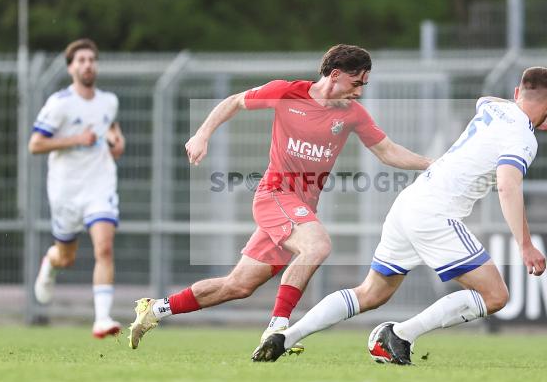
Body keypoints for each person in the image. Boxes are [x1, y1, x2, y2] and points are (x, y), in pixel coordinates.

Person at [128, 44, 433, 353]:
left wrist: (433, 164)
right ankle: (278, 328)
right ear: (335, 75)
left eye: (363, 85)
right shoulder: (287, 93)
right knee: (317, 246)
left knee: (238, 285)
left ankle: (155, 309)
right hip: (274, 196)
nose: (359, 92)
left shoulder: (353, 114)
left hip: (299, 210)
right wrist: (201, 134)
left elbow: (388, 151)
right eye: (355, 84)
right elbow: (234, 102)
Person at [252, 66, 547, 364]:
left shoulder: (494, 108)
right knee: (495, 296)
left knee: (371, 293)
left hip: (408, 204)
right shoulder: (522, 138)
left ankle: (286, 336)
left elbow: (485, 98)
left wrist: (527, 113)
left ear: (517, 92)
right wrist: (525, 245)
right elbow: (508, 186)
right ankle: (400, 335)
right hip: (435, 215)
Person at [28, 39, 126, 338]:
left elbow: (113, 131)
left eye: (91, 60)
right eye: (81, 60)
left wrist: (117, 143)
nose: (87, 65)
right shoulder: (60, 103)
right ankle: (51, 262)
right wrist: (75, 140)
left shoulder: (109, 101)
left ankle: (102, 318)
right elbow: (35, 144)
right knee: (66, 258)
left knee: (104, 248)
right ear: (71, 68)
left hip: (100, 185)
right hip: (66, 191)